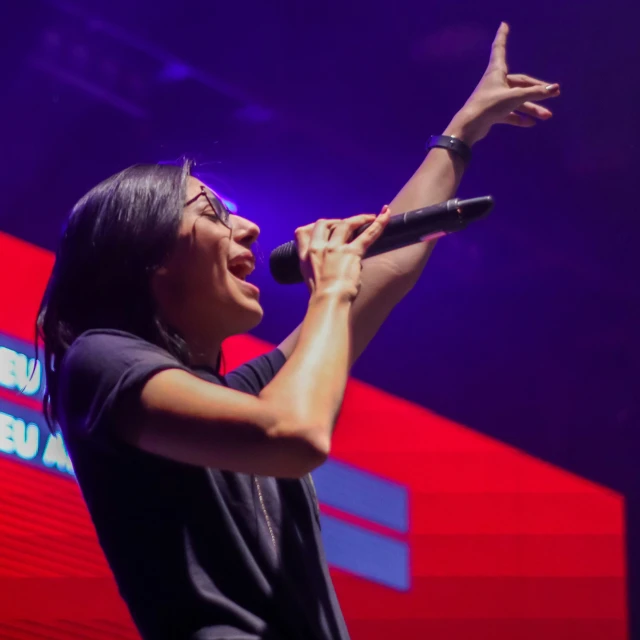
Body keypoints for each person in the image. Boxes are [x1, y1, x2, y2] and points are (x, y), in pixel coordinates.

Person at [37, 23, 559, 640]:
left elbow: (388, 266)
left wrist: (462, 132)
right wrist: (331, 290)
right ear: (146, 254)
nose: (251, 229)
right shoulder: (101, 361)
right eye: (213, 214)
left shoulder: (245, 393)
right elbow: (293, 434)